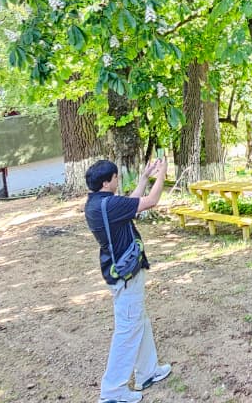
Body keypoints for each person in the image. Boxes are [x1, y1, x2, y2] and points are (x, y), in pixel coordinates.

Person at [84, 158, 173, 403]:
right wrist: (162, 174)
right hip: (126, 276)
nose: (117, 180)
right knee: (127, 330)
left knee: (138, 321)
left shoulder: (97, 203)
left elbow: (130, 204)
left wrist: (144, 178)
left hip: (119, 273)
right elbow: (151, 201)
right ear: (106, 183)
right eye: (115, 177)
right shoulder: (109, 204)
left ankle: (148, 372)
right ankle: (113, 391)